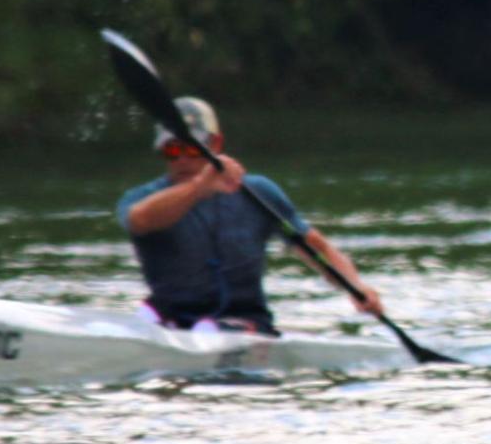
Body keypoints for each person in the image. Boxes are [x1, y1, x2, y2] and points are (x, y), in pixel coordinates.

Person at [116, 97, 384, 334]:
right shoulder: (143, 198)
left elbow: (317, 247)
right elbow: (140, 220)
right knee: (147, 316)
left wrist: (356, 287)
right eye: (172, 150)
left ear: (216, 143)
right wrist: (199, 188)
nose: (182, 160)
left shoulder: (258, 193)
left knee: (206, 330)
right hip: (170, 317)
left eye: (192, 148)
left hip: (241, 320)